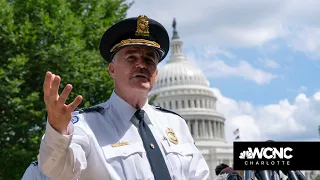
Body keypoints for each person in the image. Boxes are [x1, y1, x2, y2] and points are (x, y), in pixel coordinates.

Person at [38, 15, 210, 180]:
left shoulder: (175, 124)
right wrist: (57, 131)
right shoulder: (85, 124)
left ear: (155, 74)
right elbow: (58, 170)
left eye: (149, 60)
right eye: (131, 57)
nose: (141, 65)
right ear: (112, 70)